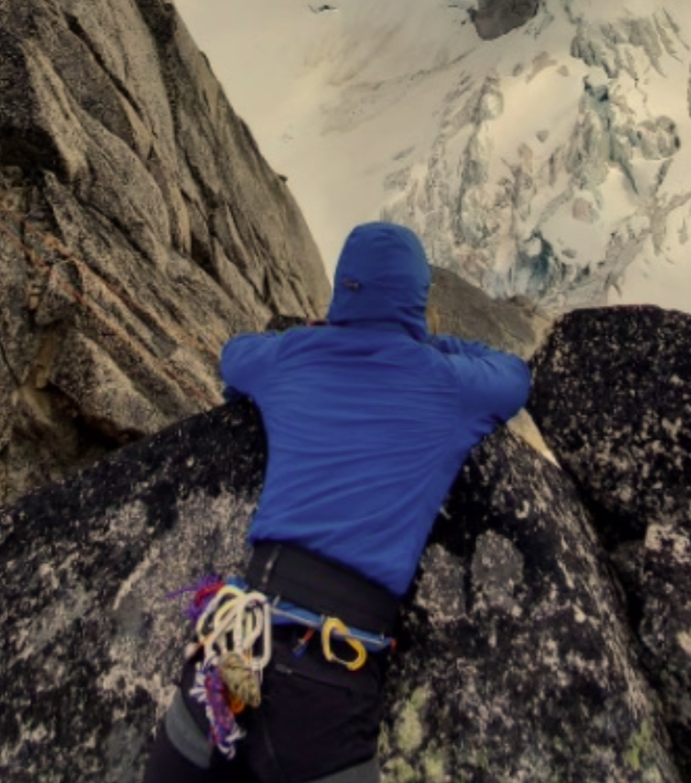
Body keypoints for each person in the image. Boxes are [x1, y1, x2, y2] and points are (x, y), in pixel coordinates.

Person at [142, 221, 532, 783]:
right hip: (330, 683)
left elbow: (235, 355)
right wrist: (430, 345)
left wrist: (316, 336)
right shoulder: (450, 385)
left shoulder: (294, 355)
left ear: (341, 287)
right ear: (416, 301)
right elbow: (514, 376)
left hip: (233, 651)